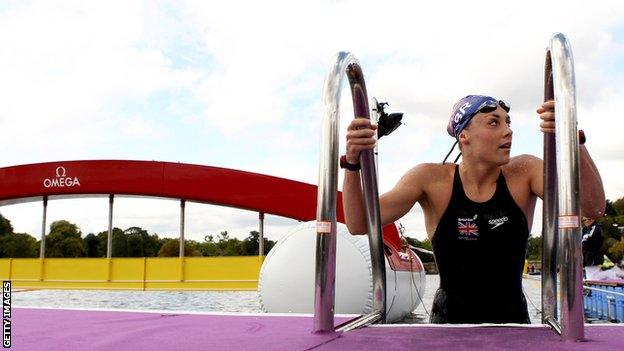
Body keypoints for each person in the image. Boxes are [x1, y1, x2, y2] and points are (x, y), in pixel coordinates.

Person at [341, 95, 605, 324]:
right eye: (494, 122)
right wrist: (352, 164)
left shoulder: (524, 173)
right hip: (448, 325)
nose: (508, 131)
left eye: (508, 122)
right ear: (463, 136)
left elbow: (592, 207)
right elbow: (359, 223)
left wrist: (574, 139)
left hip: (513, 325)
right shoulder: (430, 180)